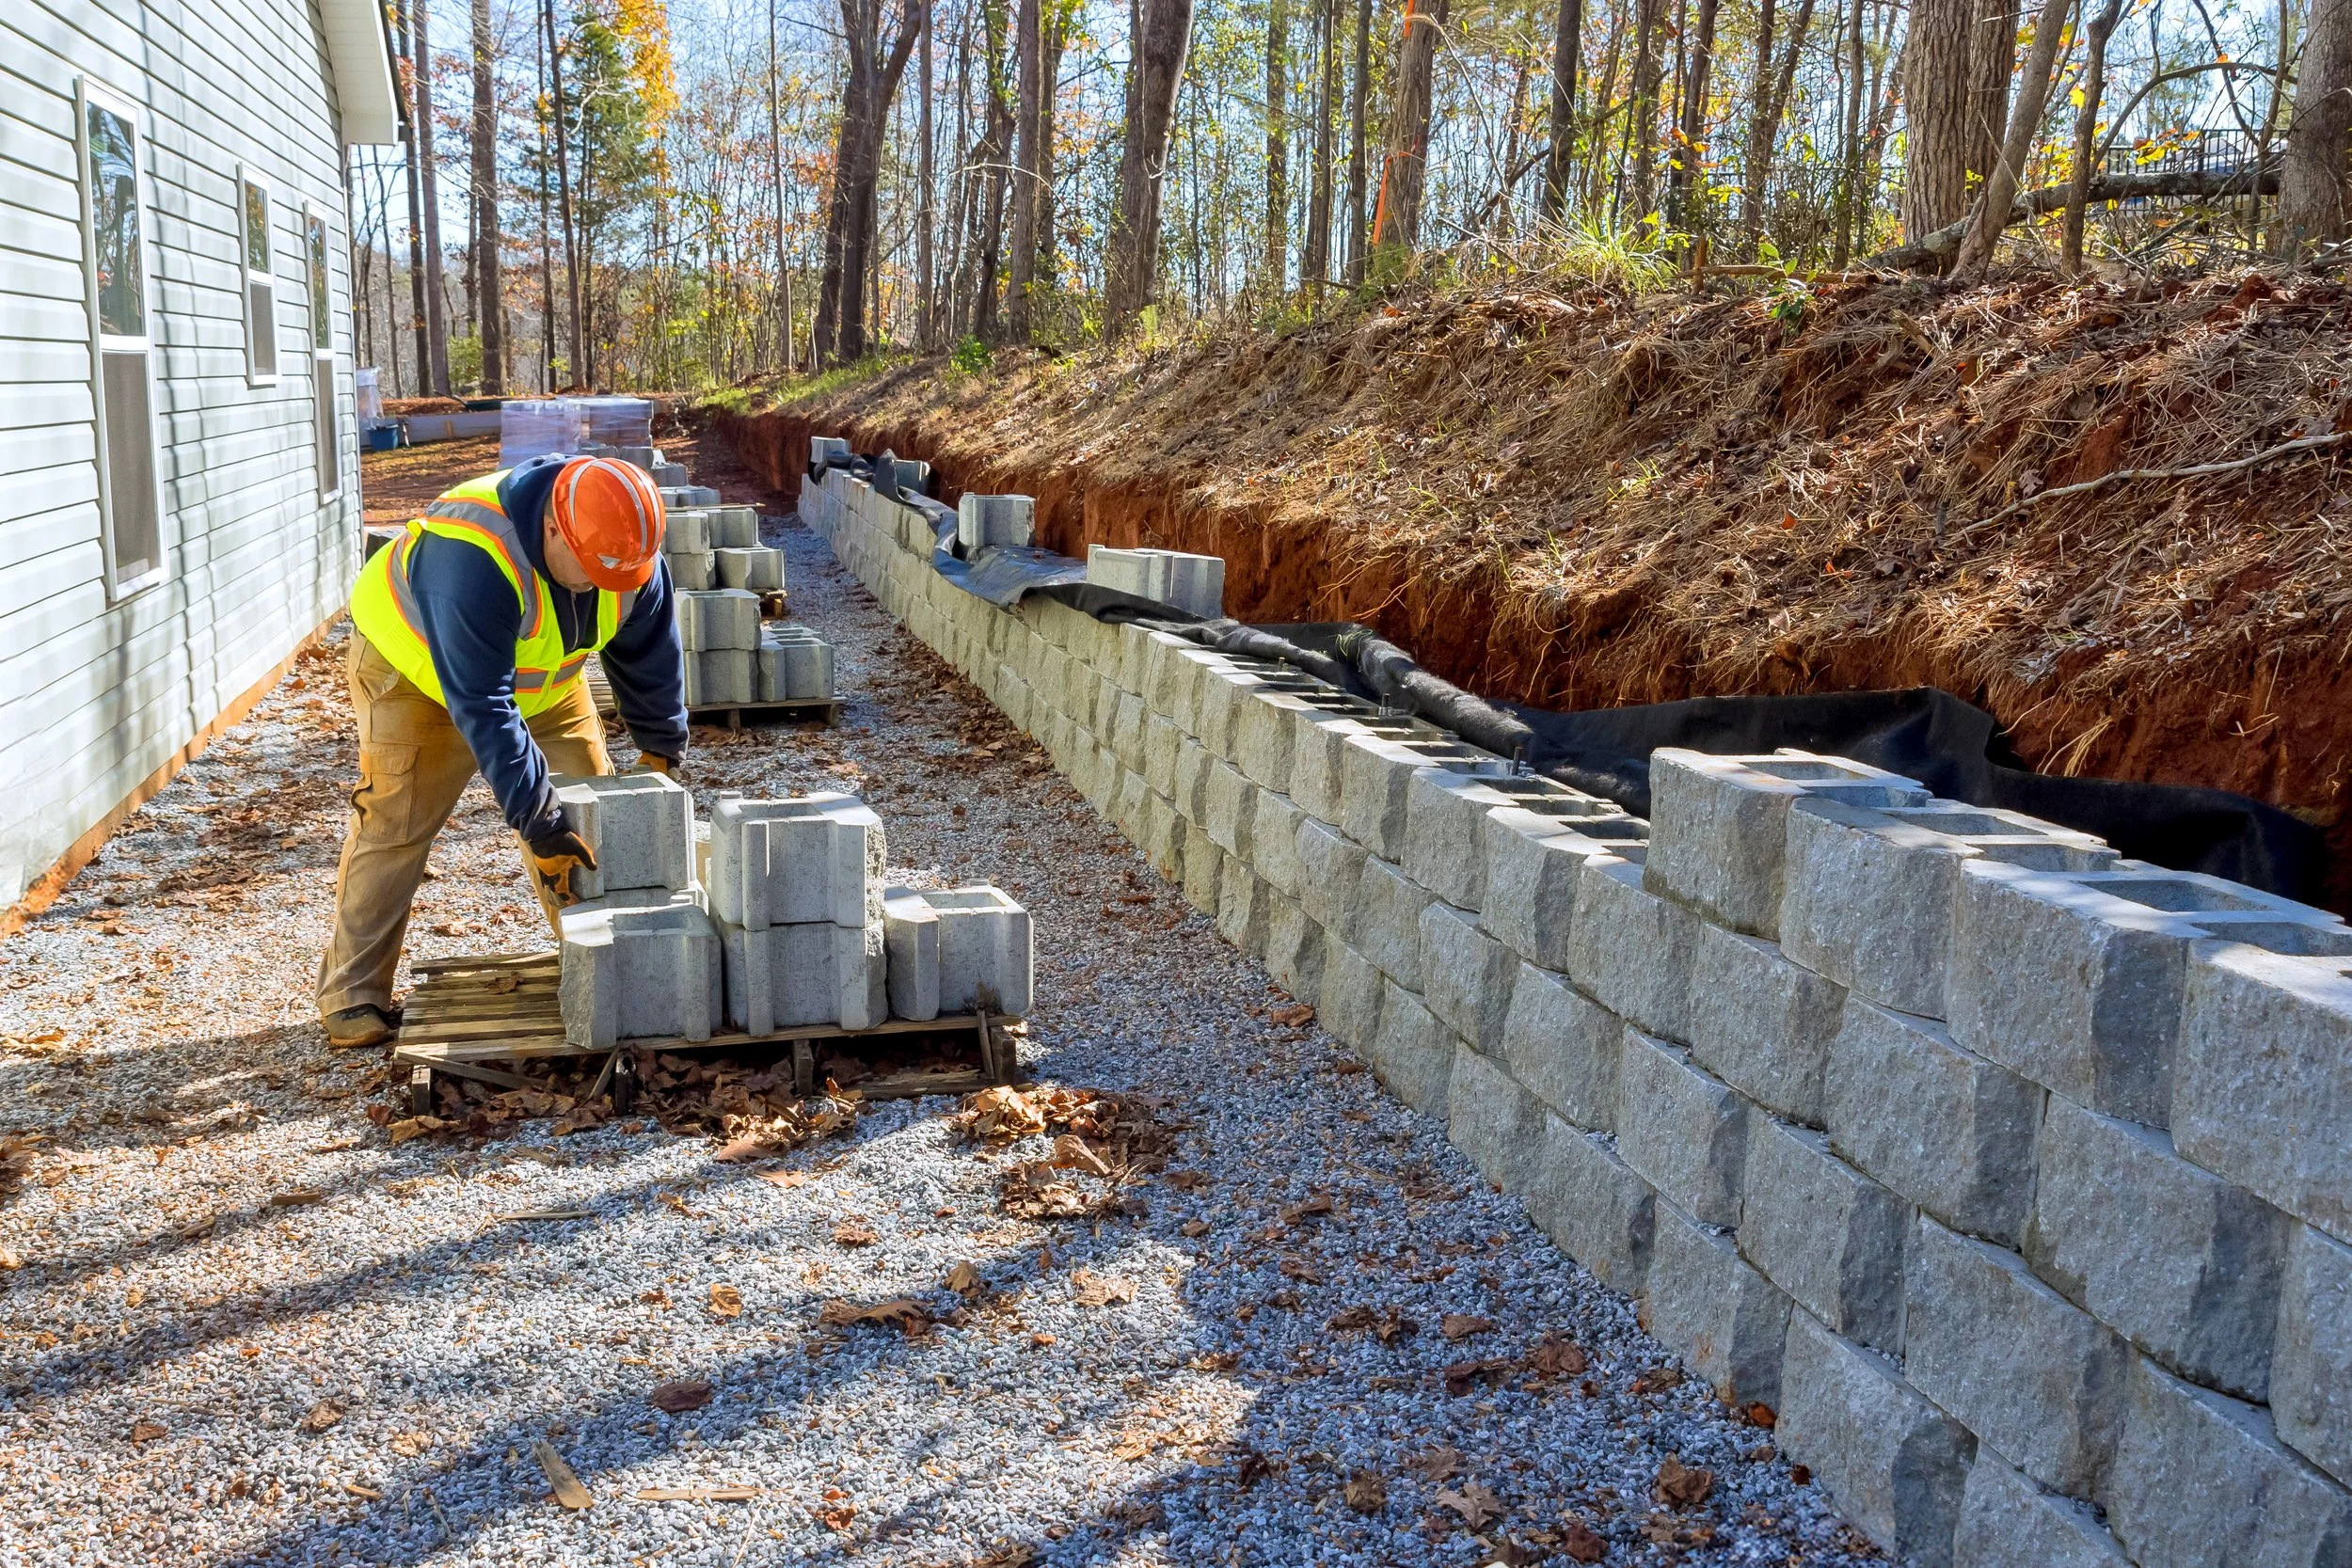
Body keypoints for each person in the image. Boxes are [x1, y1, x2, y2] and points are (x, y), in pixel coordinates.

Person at [316, 452, 691, 1049]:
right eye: (590, 570)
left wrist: (660, 753)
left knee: (595, 823)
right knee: (397, 821)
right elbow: (484, 707)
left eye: (616, 575)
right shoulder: (471, 556)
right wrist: (539, 822)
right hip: (417, 674)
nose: (600, 584)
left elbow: (650, 655)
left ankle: (602, 970)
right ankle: (351, 993)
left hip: (545, 684)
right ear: (551, 528)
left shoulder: (629, 553)